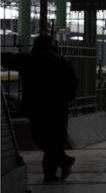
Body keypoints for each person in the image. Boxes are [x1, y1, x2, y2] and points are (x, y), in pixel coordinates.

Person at [1, 34, 77, 182]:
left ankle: (60, 164)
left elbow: (8, 59)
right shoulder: (62, 62)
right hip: (58, 107)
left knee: (41, 137)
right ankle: (53, 171)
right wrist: (66, 98)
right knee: (55, 139)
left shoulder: (29, 59)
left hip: (36, 107)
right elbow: (73, 83)